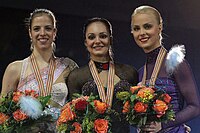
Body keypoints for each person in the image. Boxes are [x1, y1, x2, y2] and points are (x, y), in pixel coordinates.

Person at [1, 8, 78, 132]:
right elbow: (3, 114)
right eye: (37, 29)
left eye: (47, 28)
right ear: (30, 33)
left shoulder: (68, 66)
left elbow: (78, 108)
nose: (42, 33)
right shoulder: (15, 68)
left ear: (54, 32)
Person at [130, 5, 200, 133]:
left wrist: (163, 124)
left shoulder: (176, 63)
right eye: (136, 28)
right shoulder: (140, 73)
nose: (142, 33)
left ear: (160, 27)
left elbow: (195, 107)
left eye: (147, 26)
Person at [66, 17, 138, 133]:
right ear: (86, 43)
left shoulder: (130, 73)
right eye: (91, 37)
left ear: (111, 40)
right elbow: (75, 120)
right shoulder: (76, 76)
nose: (97, 41)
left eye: (103, 36)